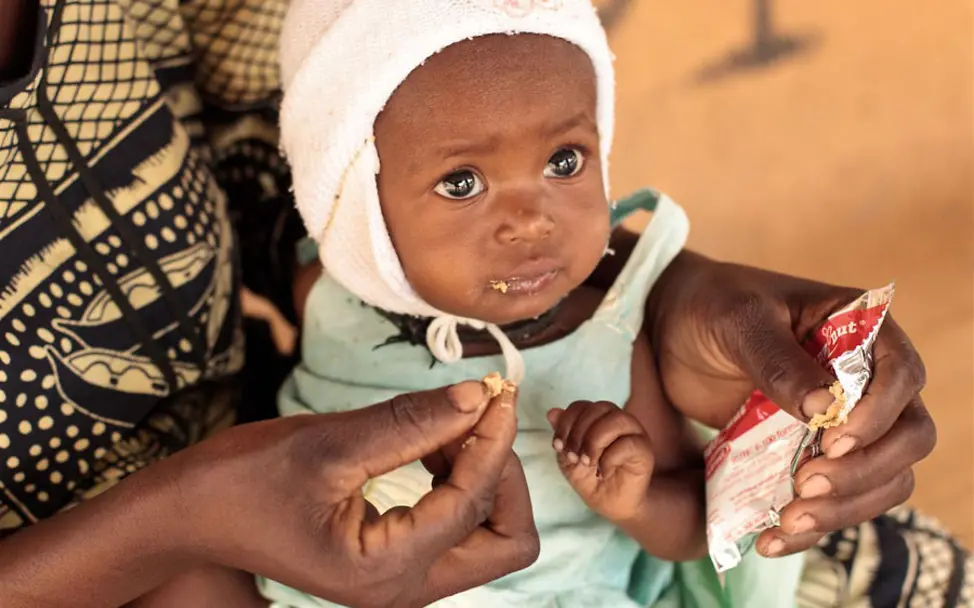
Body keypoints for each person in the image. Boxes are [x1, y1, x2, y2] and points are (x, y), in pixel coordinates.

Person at [0, 0, 957, 606]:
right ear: (354, 210)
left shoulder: (602, 335)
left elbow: (684, 529)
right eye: (462, 184)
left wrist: (631, 489)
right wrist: (184, 519)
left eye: (566, 161)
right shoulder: (332, 289)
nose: (532, 220)